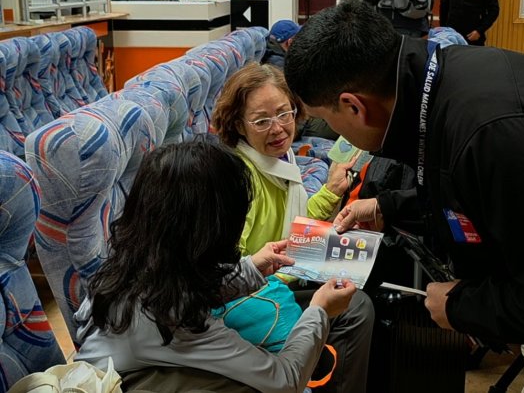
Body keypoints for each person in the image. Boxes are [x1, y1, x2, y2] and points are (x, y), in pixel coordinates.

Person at [283, 0, 524, 393]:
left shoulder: (493, 134)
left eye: (326, 120)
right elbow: (479, 198)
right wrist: (388, 207)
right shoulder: (436, 86)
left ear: (353, 105)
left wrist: (461, 307)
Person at [73, 139, 373, 393]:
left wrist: (252, 268)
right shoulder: (173, 321)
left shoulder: (134, 264)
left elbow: (189, 286)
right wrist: (320, 310)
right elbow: (285, 380)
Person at [212, 62, 354, 257]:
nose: (277, 129)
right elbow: (230, 267)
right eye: (262, 121)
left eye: (283, 114)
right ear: (239, 126)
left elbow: (293, 223)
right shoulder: (237, 180)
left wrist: (332, 190)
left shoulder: (281, 157)